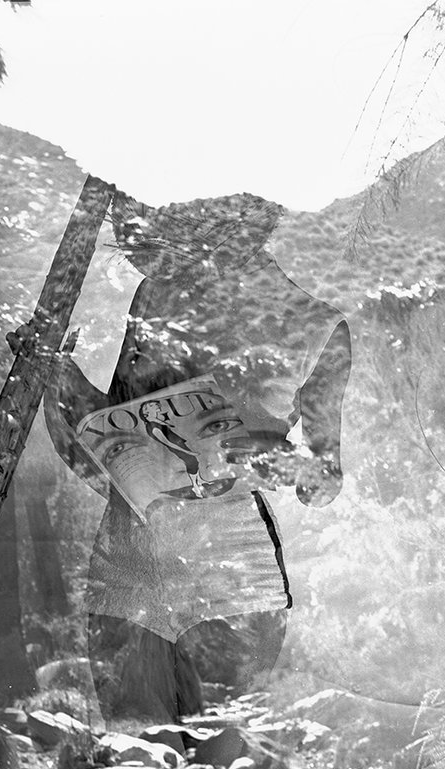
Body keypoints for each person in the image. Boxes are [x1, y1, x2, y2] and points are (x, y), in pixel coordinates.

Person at [21, 192, 352, 722]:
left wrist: (281, 462)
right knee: (142, 763)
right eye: (129, 226)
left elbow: (323, 484)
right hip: (129, 577)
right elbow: (105, 456)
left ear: (225, 221)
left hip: (232, 580)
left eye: (147, 224)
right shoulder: (153, 295)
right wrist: (54, 373)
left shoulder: (311, 328)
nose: (132, 247)